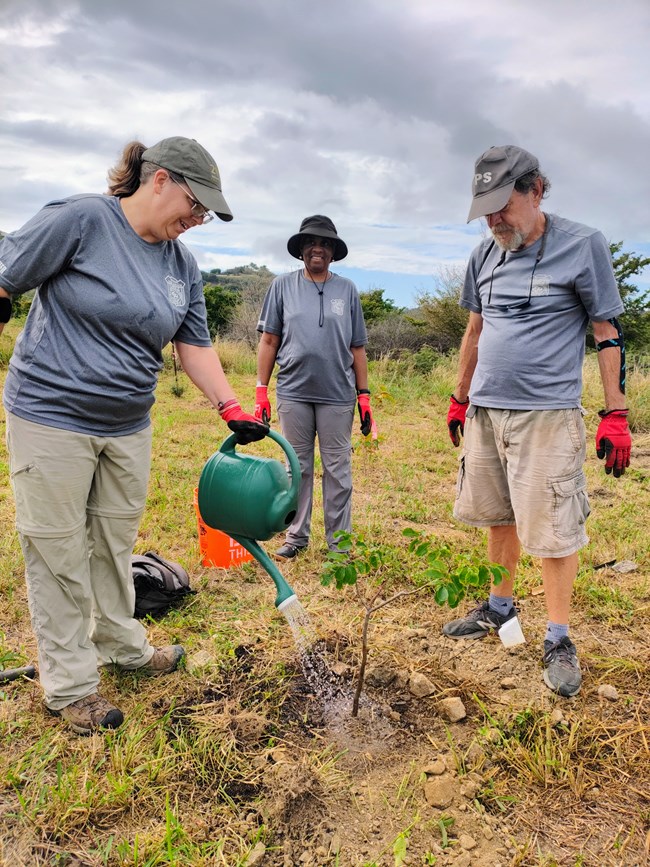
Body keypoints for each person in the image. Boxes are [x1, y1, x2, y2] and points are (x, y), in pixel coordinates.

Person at [0, 136, 269, 733]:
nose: (196, 221)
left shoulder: (182, 265)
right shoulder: (82, 220)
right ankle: (70, 687)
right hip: (50, 415)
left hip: (127, 424)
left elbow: (193, 345)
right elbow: (7, 268)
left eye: (204, 215)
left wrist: (230, 405)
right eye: (195, 206)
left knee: (114, 542)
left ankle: (123, 647)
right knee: (58, 550)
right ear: (160, 179)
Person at [443, 145, 631, 697]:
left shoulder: (582, 245)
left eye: (503, 206)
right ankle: (499, 609)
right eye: (486, 210)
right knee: (499, 515)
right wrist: (460, 397)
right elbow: (475, 330)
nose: (495, 219)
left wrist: (615, 410)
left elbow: (605, 332)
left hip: (547, 415)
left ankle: (557, 637)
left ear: (537, 190)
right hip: (486, 410)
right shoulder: (486, 255)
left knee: (550, 528)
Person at [255, 215, 373, 559]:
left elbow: (358, 348)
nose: (317, 248)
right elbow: (269, 339)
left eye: (324, 243)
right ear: (301, 250)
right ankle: (296, 537)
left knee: (337, 470)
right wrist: (261, 390)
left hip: (337, 394)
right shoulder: (282, 286)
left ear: (333, 251)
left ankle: (339, 545)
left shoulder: (347, 289)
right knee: (298, 466)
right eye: (310, 243)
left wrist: (363, 397)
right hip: (293, 390)